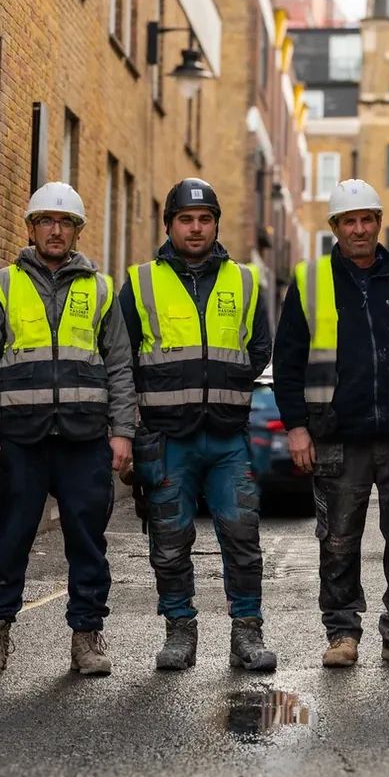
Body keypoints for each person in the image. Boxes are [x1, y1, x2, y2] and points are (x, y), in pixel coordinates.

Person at [272, 179, 389, 668]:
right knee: (338, 542)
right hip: (337, 435)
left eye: (367, 219)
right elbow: (287, 362)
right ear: (335, 227)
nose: (359, 229)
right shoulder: (311, 280)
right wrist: (296, 427)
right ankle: (342, 633)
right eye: (349, 221)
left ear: (378, 222)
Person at [0, 182, 137, 677]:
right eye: (45, 222)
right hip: (19, 438)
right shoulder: (2, 286)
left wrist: (122, 431)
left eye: (65, 223)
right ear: (31, 229)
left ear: (77, 231)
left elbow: (120, 366)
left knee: (88, 541)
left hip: (85, 439)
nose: (55, 231)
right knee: (7, 537)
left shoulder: (100, 289)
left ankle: (86, 637)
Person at [118, 179, 275, 672]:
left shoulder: (245, 281)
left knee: (242, 537)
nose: (196, 227)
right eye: (185, 219)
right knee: (169, 541)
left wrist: (223, 387)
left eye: (205, 219)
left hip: (228, 437)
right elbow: (121, 358)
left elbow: (259, 348)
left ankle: (246, 634)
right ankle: (179, 632)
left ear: (216, 225)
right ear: (169, 225)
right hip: (166, 437)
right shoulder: (141, 282)